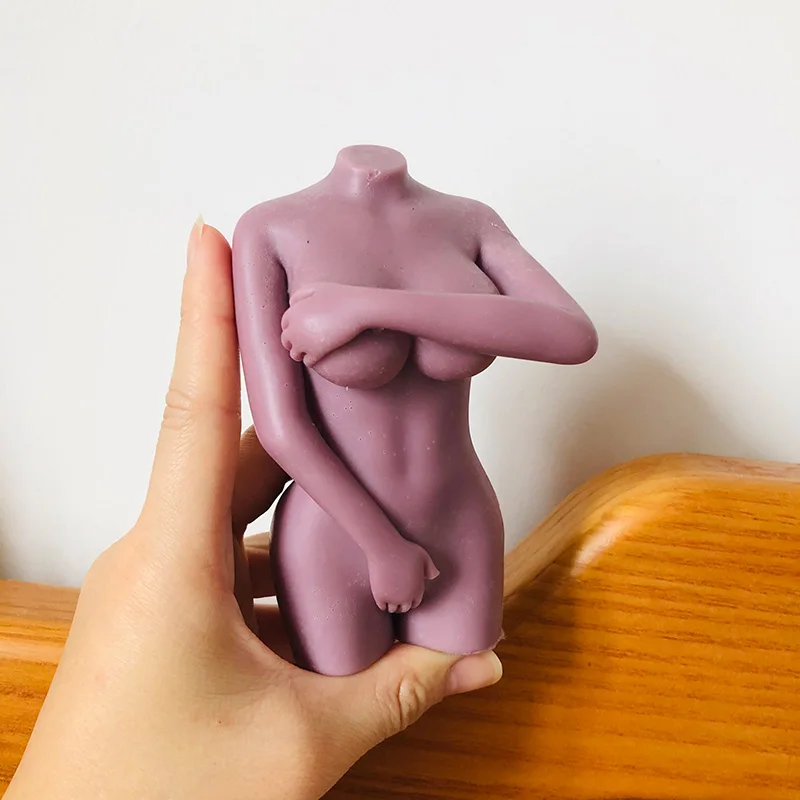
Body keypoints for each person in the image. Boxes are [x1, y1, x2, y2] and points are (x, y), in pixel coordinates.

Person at [5, 220, 503, 800]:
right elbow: (280, 430)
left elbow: (571, 335)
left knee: (461, 701)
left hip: (460, 518)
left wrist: (364, 307)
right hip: (334, 537)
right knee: (351, 712)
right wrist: (382, 546)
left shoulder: (465, 223)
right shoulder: (274, 230)